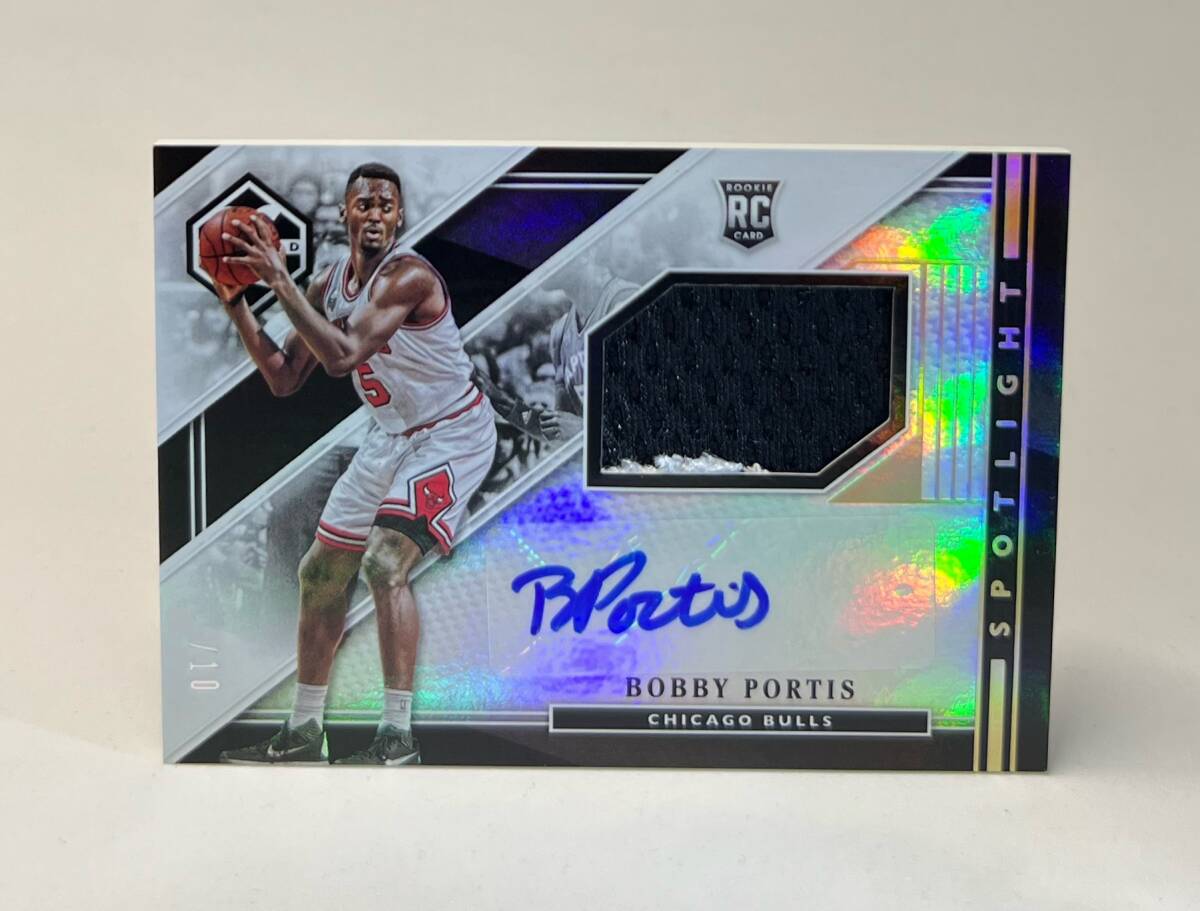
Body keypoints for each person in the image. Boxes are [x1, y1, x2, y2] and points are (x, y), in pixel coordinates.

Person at [206, 162, 496, 765]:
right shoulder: (327, 286)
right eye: (364, 204)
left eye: (386, 205)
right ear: (345, 214)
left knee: (385, 563)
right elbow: (284, 379)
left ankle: (398, 737)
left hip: (452, 433)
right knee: (317, 574)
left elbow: (341, 358)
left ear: (400, 217)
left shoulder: (408, 276)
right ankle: (304, 729)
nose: (375, 215)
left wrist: (279, 281)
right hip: (389, 436)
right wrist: (236, 303)